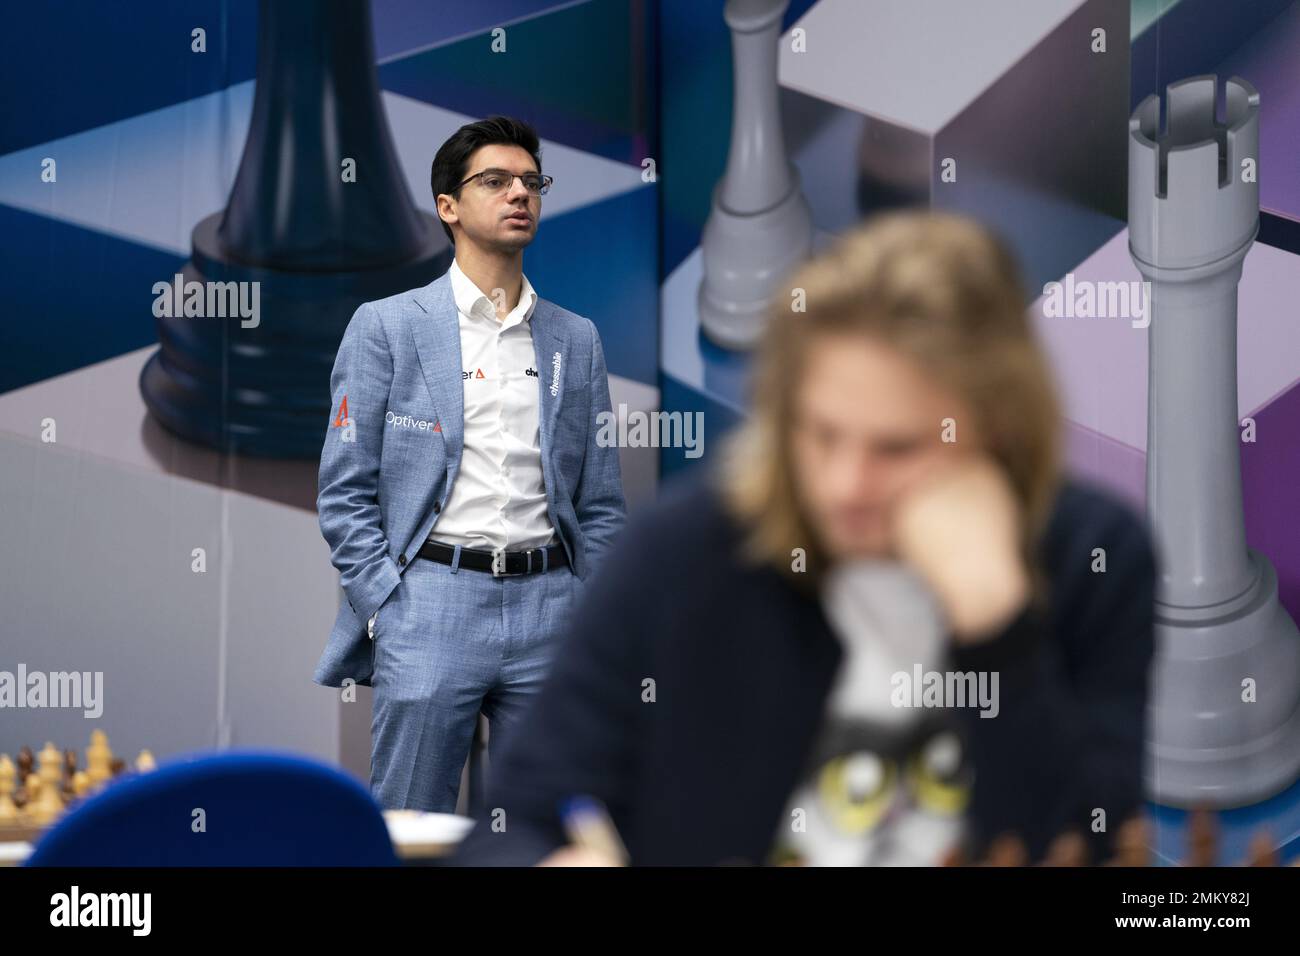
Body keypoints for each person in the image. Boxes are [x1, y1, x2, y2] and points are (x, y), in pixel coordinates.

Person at [452, 210, 1156, 865]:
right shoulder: (688, 549)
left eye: (896, 448)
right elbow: (516, 821)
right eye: (821, 435)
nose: (846, 486)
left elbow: (1086, 841)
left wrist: (998, 629)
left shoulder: (1097, 556)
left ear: (997, 428)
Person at [313, 116, 626, 812]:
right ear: (447, 207)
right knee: (410, 825)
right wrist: (390, 605)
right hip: (430, 602)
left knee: (551, 830)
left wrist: (588, 605)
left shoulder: (576, 339)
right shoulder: (387, 326)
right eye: (496, 181)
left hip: (553, 608)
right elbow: (344, 490)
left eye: (531, 182)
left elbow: (601, 500)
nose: (520, 193)